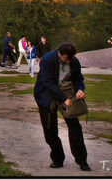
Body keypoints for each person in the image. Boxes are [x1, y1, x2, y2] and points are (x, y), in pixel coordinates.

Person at [34, 43, 89, 171]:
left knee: (75, 127)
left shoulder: (73, 61)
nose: (69, 61)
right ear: (60, 53)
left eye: (71, 58)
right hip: (47, 96)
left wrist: (80, 89)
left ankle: (82, 160)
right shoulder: (47, 60)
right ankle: (58, 159)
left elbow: (78, 79)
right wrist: (65, 100)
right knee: (50, 130)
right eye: (66, 59)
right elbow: (48, 83)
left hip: (67, 94)